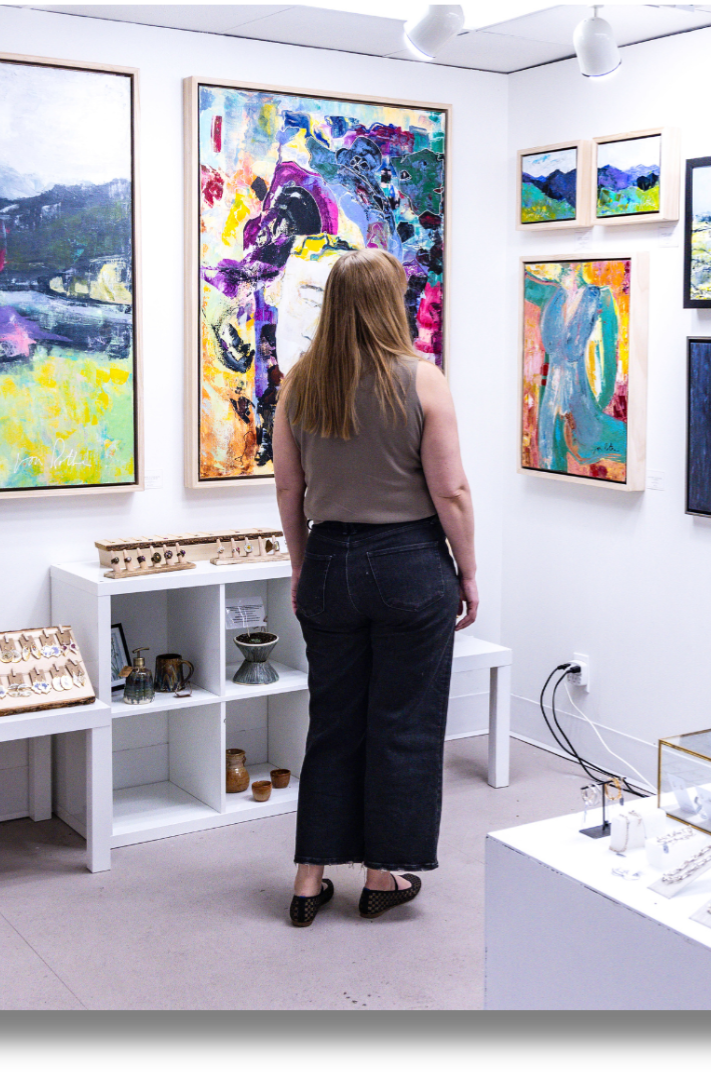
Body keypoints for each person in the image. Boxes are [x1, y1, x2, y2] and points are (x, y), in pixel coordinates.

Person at [270, 247, 478, 928]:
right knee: (402, 723)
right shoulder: (423, 379)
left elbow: (290, 490)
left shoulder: (300, 384)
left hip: (330, 560)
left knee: (333, 721)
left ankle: (308, 879)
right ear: (391, 304)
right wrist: (468, 571)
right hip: (409, 563)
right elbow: (451, 491)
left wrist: (302, 566)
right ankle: (383, 875)